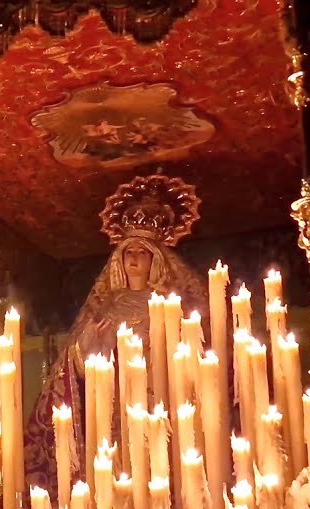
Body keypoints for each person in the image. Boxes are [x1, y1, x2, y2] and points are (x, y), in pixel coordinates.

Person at [23, 175, 205, 491]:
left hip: (159, 400)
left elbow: (190, 352)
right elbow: (78, 365)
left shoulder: (168, 304)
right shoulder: (106, 305)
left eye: (142, 252)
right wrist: (87, 346)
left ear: (155, 259)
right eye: (128, 252)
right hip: (114, 406)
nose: (133, 258)